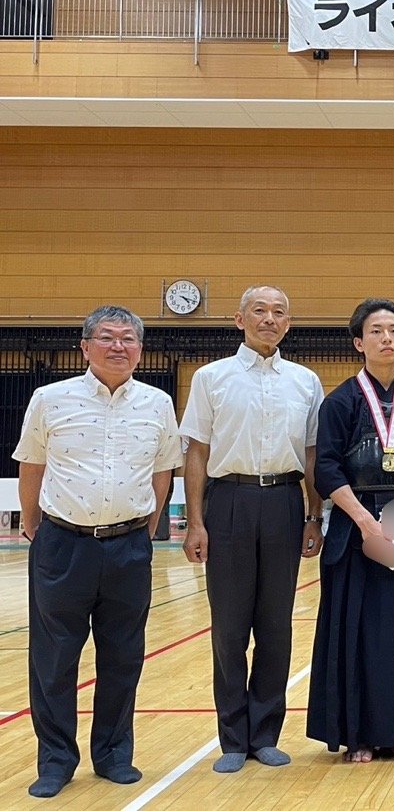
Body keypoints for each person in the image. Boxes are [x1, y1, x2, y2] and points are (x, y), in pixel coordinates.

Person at [14, 306, 182, 799]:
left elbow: (162, 470)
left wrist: (144, 529)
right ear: (85, 347)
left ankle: (113, 755)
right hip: (62, 545)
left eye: (128, 339)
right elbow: (32, 467)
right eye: (106, 338)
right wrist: (37, 529)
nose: (118, 346)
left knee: (123, 657)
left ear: (140, 350)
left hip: (129, 546)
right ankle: (56, 761)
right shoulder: (50, 399)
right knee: (54, 659)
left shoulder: (157, 404)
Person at [180, 285, 325, 773]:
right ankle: (233, 739)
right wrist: (195, 520)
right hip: (229, 502)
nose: (269, 318)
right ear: (238, 319)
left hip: (284, 501)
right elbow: (196, 451)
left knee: (276, 626)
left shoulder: (305, 381)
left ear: (288, 323)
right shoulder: (211, 378)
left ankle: (265, 733)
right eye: (259, 311)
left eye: (278, 312)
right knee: (229, 626)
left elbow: (311, 455)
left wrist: (312, 513)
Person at [307, 299, 394, 762]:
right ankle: (359, 734)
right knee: (358, 633)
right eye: (376, 331)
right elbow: (326, 468)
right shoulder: (341, 402)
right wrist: (366, 522)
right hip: (356, 533)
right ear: (358, 342)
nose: (386, 338)